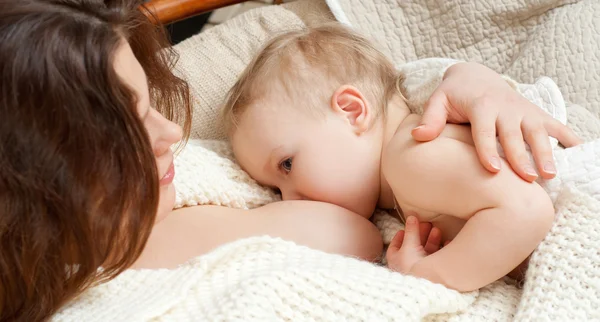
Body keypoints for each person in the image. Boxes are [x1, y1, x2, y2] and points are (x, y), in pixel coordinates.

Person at [0, 0, 580, 320]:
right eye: (128, 121)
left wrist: (468, 80)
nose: (173, 131)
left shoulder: (406, 159)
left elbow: (394, 95)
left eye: (152, 104)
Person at [222, 24, 582, 291]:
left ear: (351, 111)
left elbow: (526, 211)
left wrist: (427, 275)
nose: (288, 201)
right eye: (273, 188)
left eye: (287, 165)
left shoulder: (410, 158)